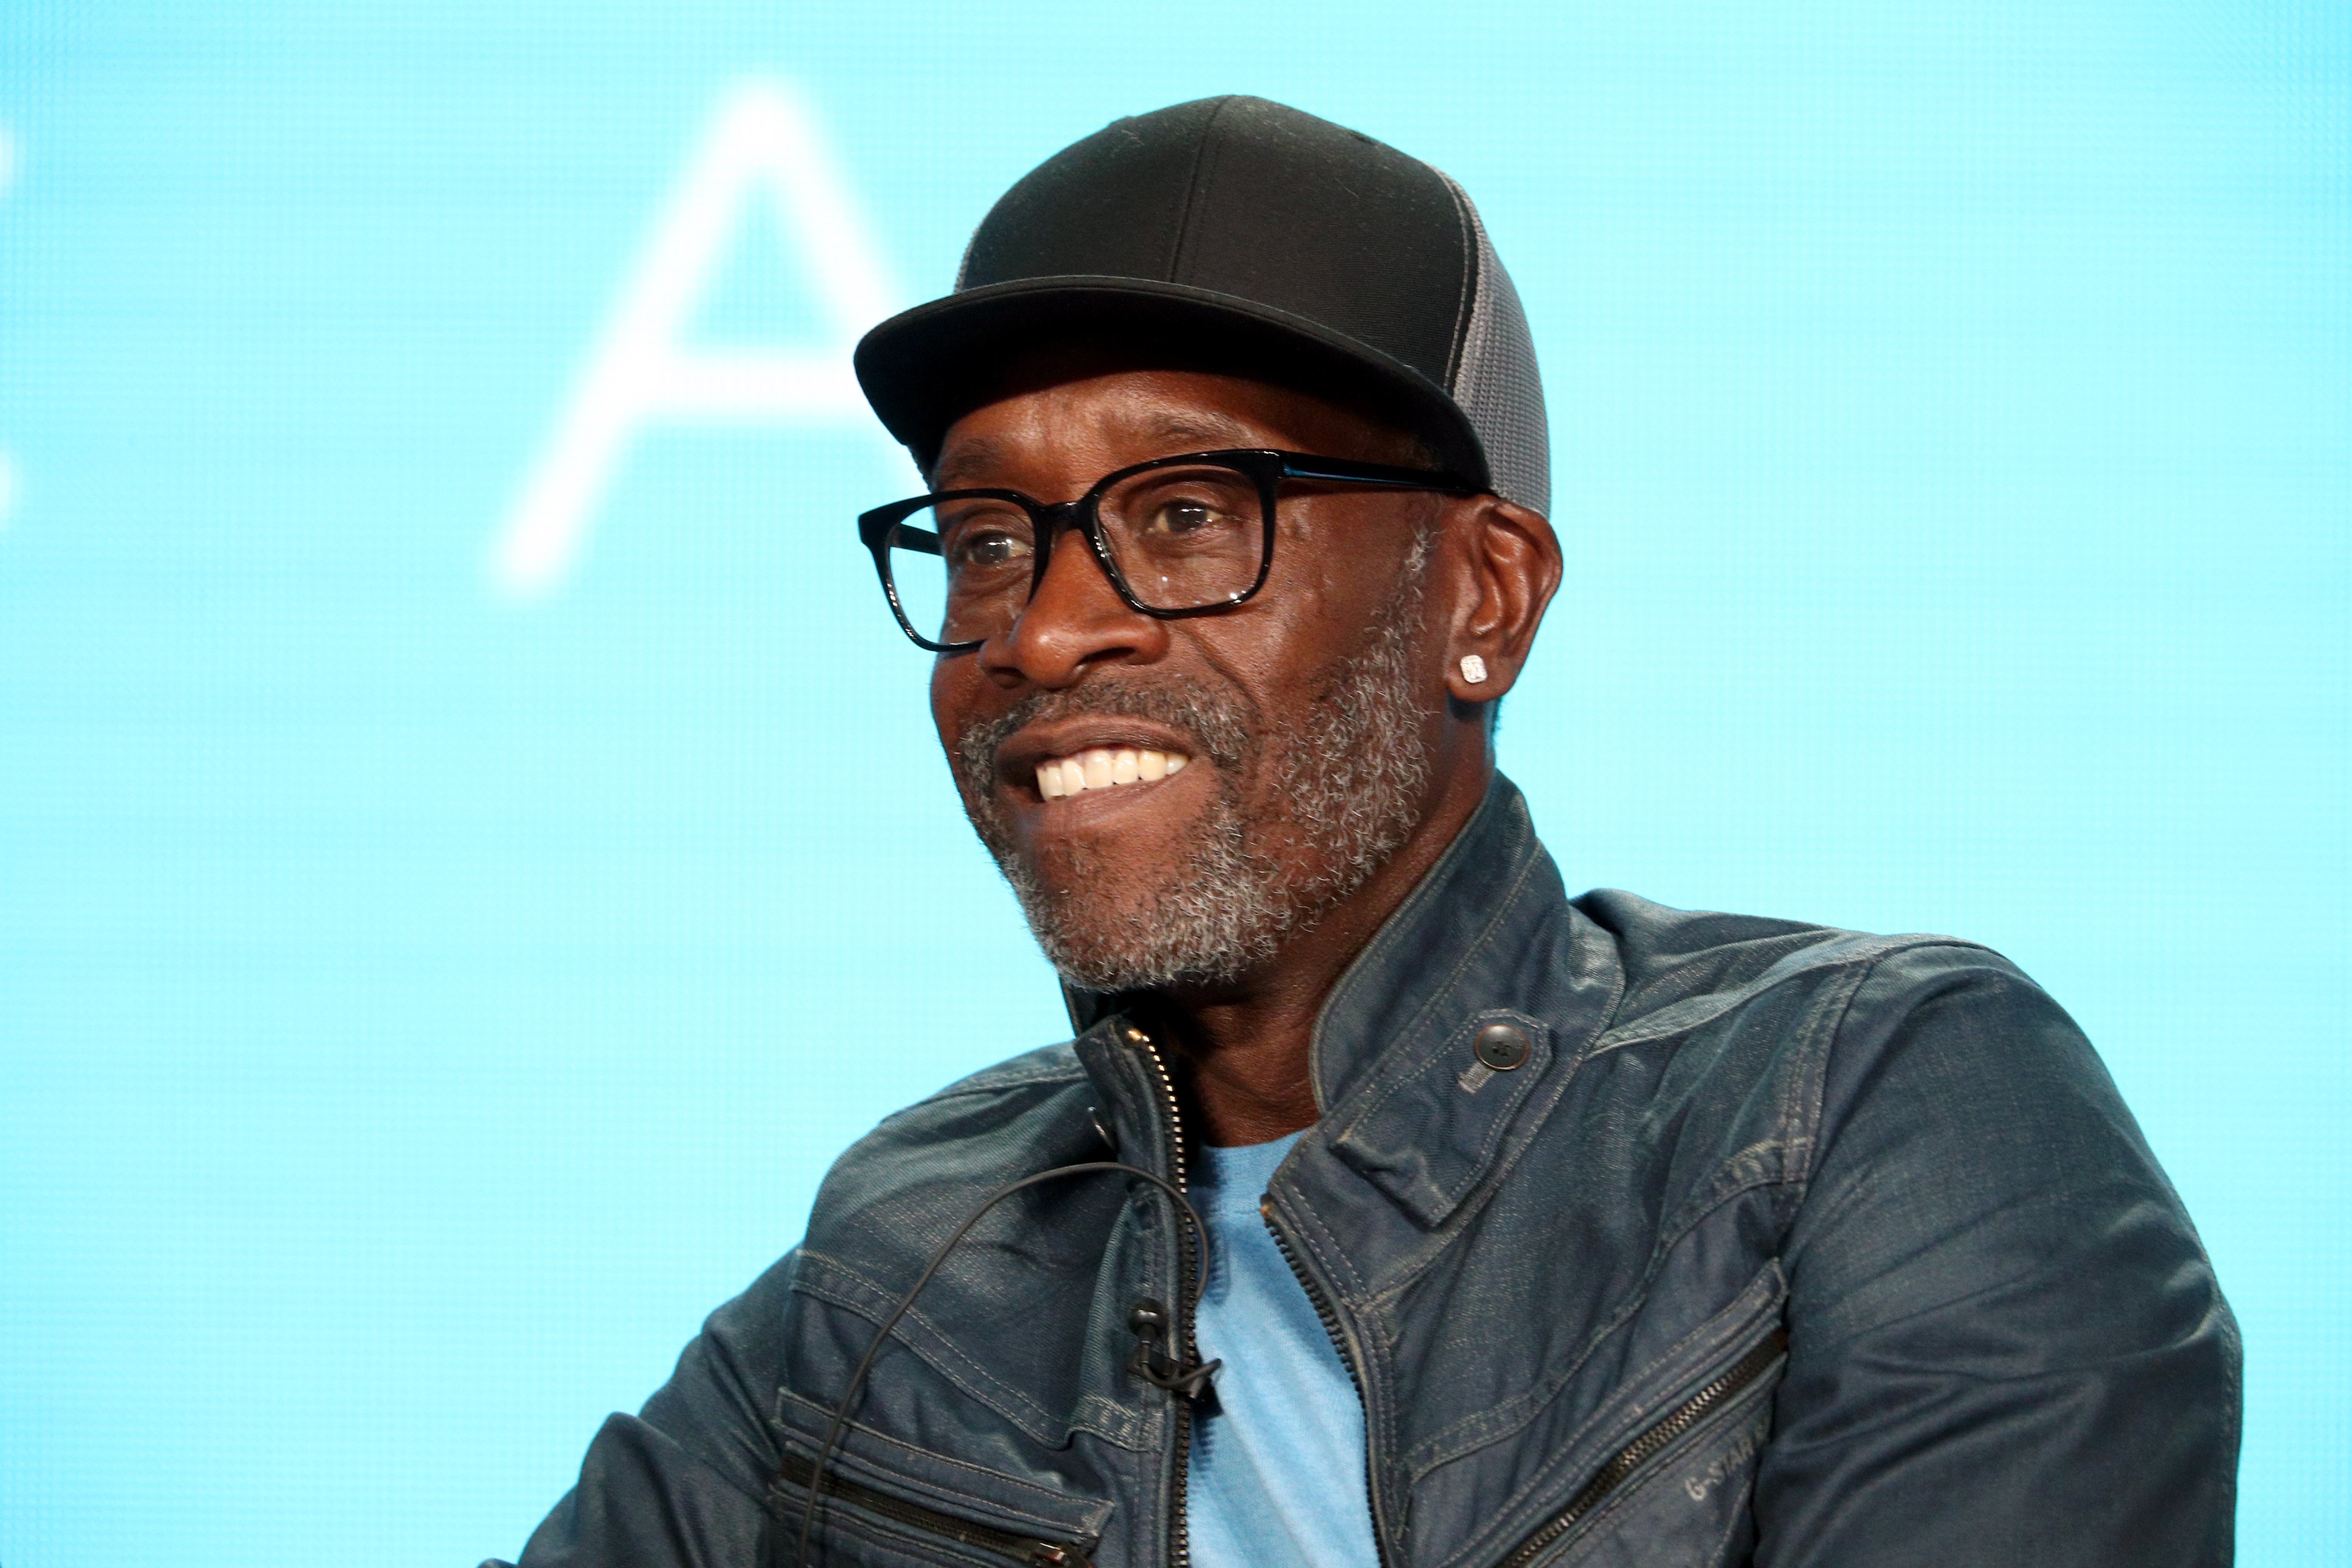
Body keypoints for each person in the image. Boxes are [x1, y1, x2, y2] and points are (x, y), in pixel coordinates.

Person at [495, 96, 2238, 1568]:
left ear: (1482, 593)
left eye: (1186, 515)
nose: (1038, 632)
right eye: (985, 539)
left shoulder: (1862, 1107)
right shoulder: (901, 1254)